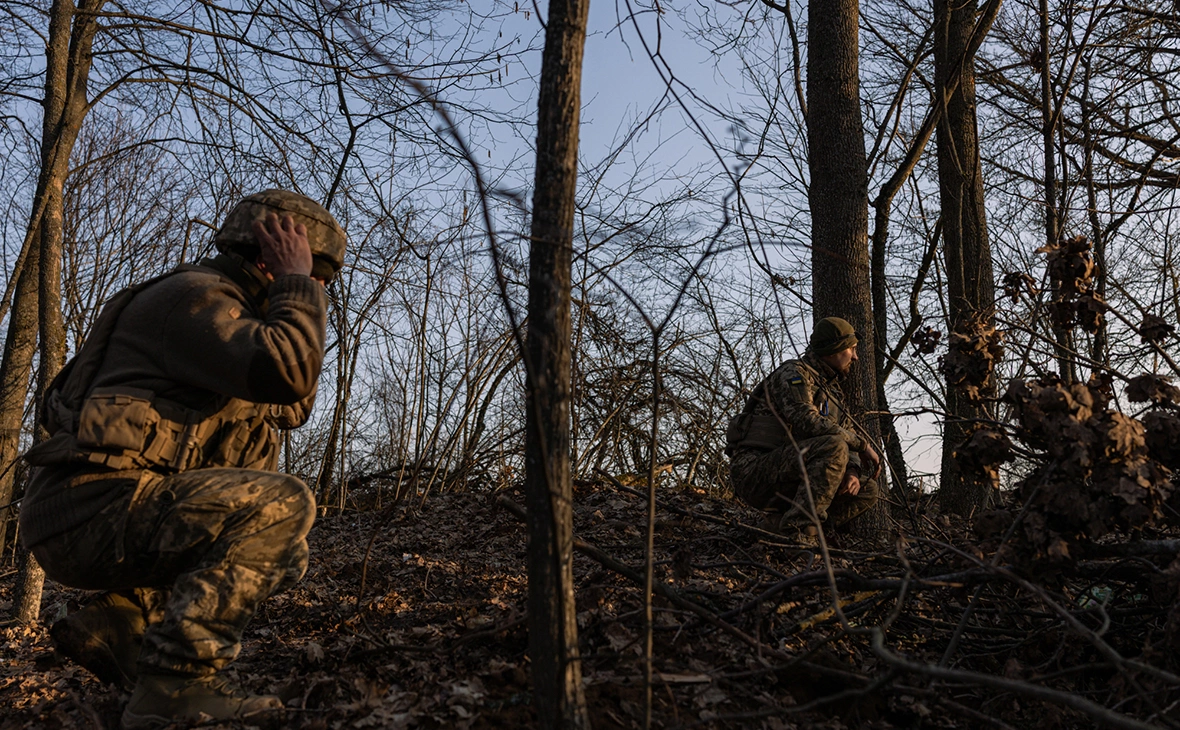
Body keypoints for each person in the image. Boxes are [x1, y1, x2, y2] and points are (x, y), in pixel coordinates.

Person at [19, 190, 344, 728]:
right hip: (89, 506)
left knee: (287, 553)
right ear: (269, 257)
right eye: (317, 275)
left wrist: (289, 294)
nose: (320, 289)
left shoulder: (232, 316)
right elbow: (289, 371)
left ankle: (122, 621)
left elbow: (291, 405)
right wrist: (295, 284)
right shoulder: (197, 298)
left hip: (108, 505)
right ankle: (176, 684)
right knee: (281, 505)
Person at [726, 317, 880, 545]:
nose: (855, 357)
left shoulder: (832, 392)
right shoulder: (794, 375)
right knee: (834, 447)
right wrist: (862, 444)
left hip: (792, 474)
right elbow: (806, 421)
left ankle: (788, 526)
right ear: (833, 349)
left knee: (869, 489)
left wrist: (853, 471)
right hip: (755, 472)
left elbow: (844, 432)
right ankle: (798, 535)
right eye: (852, 349)